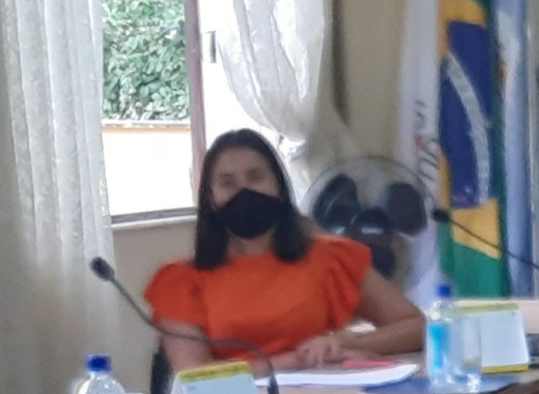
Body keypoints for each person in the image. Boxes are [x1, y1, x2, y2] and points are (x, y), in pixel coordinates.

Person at [144, 130, 427, 371]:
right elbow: (195, 374)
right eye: (227, 183)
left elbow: (417, 327)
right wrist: (294, 360)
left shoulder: (331, 257)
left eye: (255, 177)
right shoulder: (180, 281)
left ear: (279, 185)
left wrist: (343, 343)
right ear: (210, 198)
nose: (244, 192)